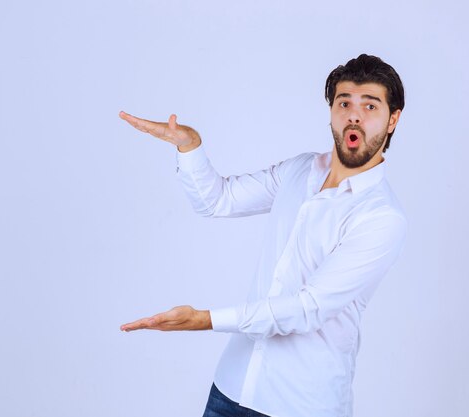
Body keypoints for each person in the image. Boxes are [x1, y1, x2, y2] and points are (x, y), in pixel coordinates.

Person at [119, 53, 407, 417]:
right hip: (232, 387)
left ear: (392, 119)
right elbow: (217, 200)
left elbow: (308, 309)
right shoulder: (301, 169)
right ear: (332, 110)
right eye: (344, 102)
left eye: (370, 105)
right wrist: (189, 146)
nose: (354, 114)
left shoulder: (381, 217)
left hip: (302, 404)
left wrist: (205, 319)